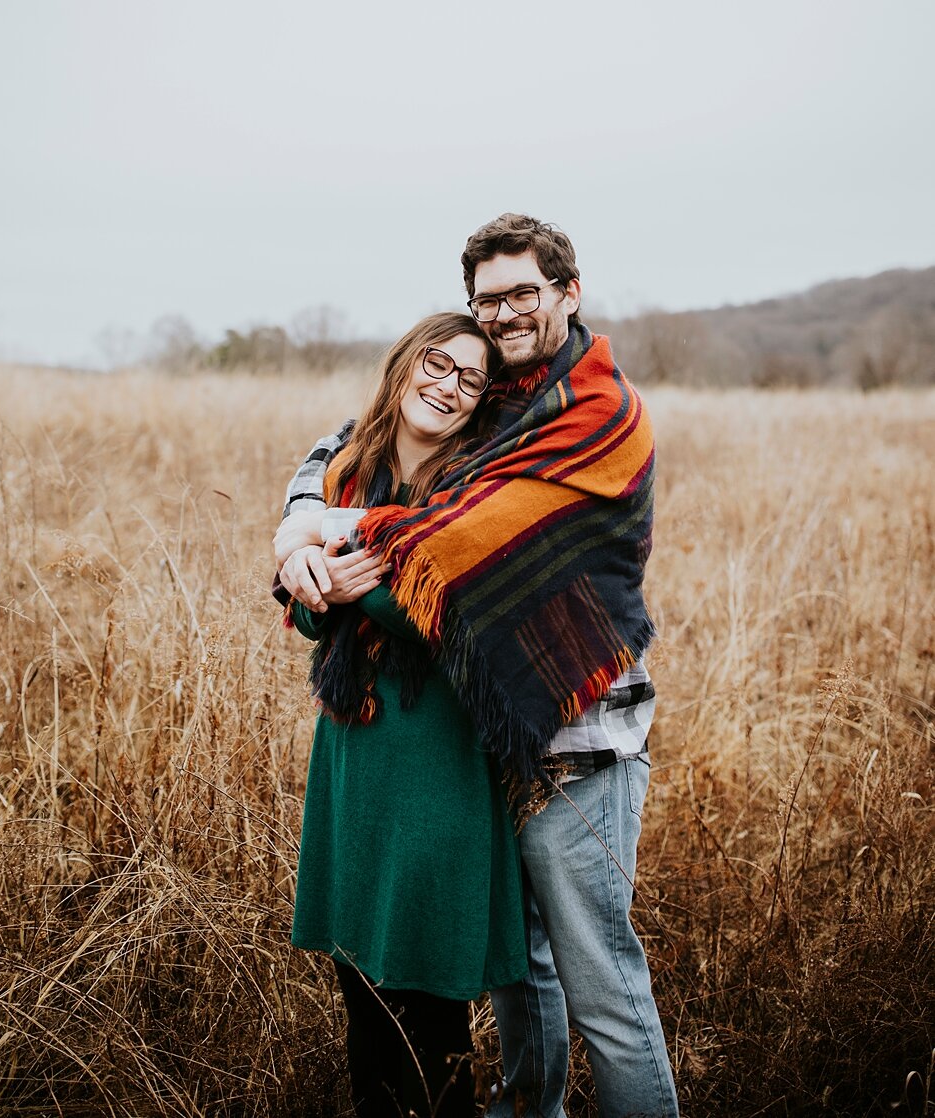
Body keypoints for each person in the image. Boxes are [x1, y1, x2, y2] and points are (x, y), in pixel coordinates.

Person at [276, 214, 680, 1118]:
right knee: (520, 975)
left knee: (602, 989)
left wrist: (335, 560)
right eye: (486, 299)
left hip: (581, 740)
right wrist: (300, 523)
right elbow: (353, 442)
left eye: (521, 294)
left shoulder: (597, 413)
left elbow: (452, 549)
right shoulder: (491, 399)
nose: (501, 315)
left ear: (567, 293)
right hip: (491, 735)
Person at [272, 311, 528, 1118]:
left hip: (437, 761)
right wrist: (312, 576)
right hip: (352, 753)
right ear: (404, 363)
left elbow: (458, 618)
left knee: (431, 1014)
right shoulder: (346, 469)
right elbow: (308, 613)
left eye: (469, 380)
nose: (447, 386)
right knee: (363, 1004)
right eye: (436, 364)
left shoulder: (480, 486)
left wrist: (354, 579)